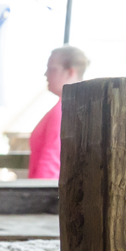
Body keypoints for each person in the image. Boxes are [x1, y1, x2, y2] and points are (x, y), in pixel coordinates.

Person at [29, 46, 89, 180]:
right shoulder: (81, 107)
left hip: (49, 194)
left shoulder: (64, 110)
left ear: (70, 72)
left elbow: (51, 162)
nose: (46, 74)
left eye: (52, 69)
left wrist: (36, 197)